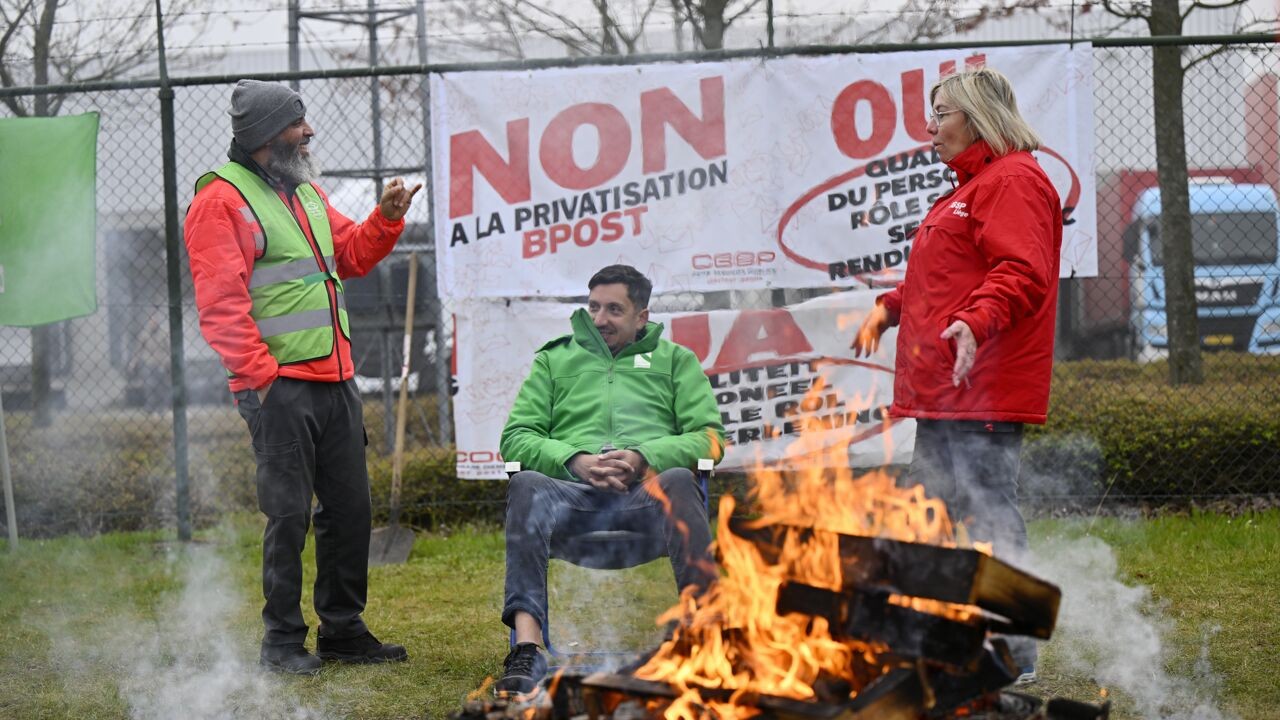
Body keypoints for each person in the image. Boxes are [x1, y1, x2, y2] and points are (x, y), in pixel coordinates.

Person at [185, 79, 422, 675]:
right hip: (279, 386)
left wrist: (385, 219)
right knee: (287, 515)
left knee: (349, 510)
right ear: (267, 134)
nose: (308, 131)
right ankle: (283, 643)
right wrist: (264, 380)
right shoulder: (221, 200)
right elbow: (220, 305)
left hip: (334, 379)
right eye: (297, 123)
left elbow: (351, 254)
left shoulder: (305, 190)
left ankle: (342, 631)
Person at [850, 67, 1062, 684]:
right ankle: (938, 637)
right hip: (950, 389)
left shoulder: (1013, 181)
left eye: (939, 114)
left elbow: (1021, 273)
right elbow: (947, 279)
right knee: (932, 513)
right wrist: (891, 307)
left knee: (987, 511)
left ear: (977, 115)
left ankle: (1016, 650)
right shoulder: (972, 186)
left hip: (984, 385)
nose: (929, 129)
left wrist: (975, 323)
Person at [496, 264, 725, 696]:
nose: (600, 319)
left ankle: (705, 638)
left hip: (646, 504)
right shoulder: (554, 359)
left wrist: (644, 458)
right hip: (571, 503)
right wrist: (575, 460)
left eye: (614, 309)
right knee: (525, 484)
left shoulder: (676, 361)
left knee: (679, 477)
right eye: (594, 307)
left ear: (642, 316)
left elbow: (710, 438)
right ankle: (526, 648)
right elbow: (515, 437)